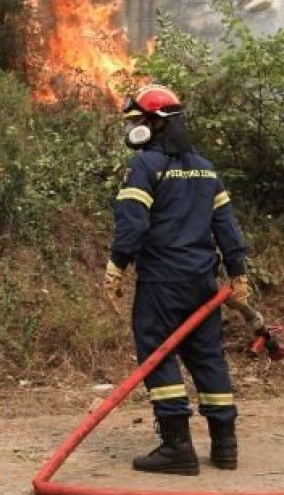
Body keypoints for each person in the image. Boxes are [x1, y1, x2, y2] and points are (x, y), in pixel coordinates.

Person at [105, 84, 253, 475]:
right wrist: (237, 273)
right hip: (203, 285)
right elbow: (227, 226)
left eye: (139, 121)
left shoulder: (144, 166)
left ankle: (177, 448)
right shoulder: (206, 168)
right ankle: (225, 447)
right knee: (208, 359)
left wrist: (117, 265)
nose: (135, 128)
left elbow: (132, 222)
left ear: (156, 123)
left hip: (161, 283)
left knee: (157, 355)